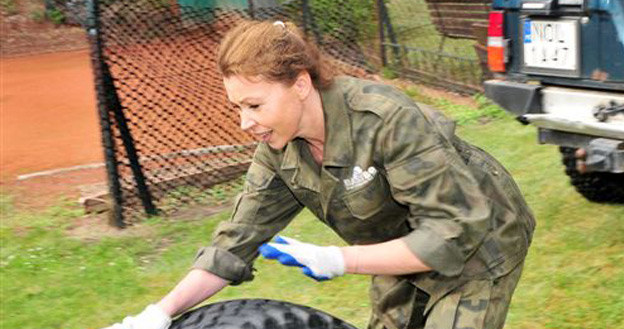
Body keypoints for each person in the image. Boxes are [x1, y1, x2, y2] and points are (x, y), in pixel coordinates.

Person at [103, 20, 536, 329]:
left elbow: (451, 233)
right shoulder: (277, 149)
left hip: (478, 242)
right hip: (394, 247)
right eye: (237, 107)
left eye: (254, 105)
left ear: (301, 84)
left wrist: (339, 259)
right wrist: (158, 314)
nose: (244, 122)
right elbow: (234, 244)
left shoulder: (385, 119)